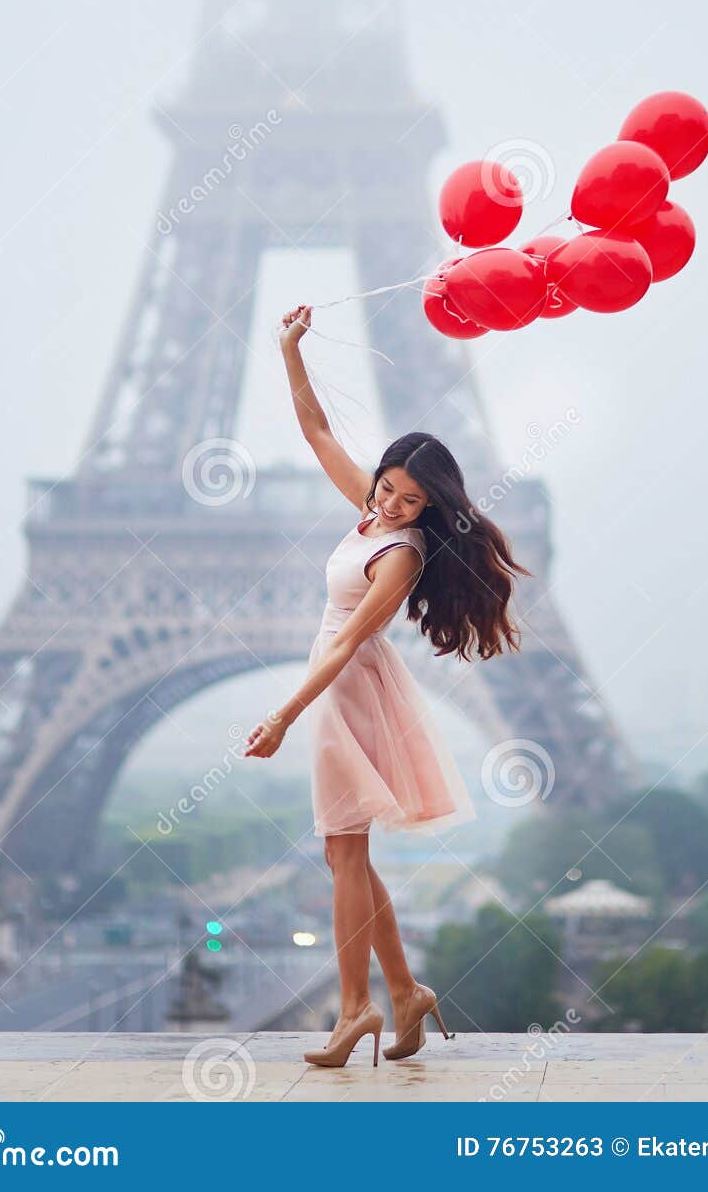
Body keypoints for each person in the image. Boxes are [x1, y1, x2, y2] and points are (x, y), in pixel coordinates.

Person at [245, 304, 526, 1068]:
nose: (391, 505)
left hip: (345, 687)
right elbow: (316, 432)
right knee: (349, 859)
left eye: (409, 501)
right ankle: (399, 994)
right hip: (335, 684)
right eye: (387, 489)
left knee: (342, 855)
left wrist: (281, 714)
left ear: (429, 508)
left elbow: (345, 643)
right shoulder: (368, 515)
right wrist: (289, 350)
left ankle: (354, 1009)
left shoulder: (399, 551)